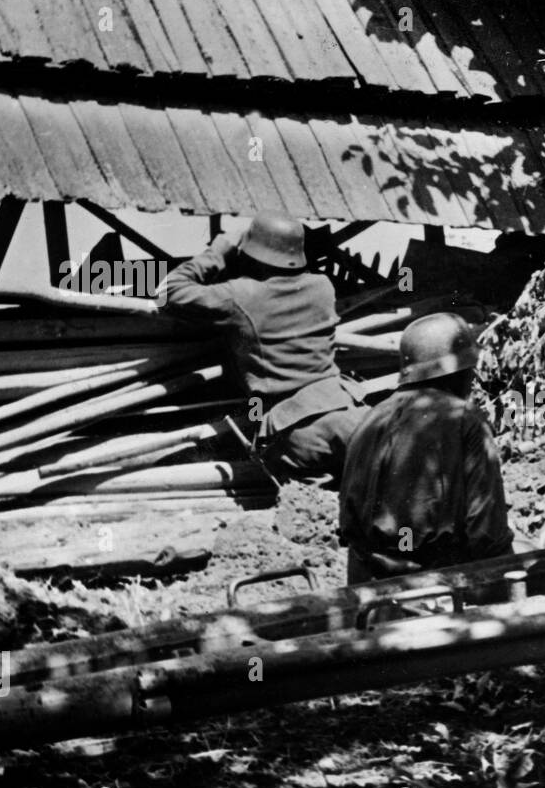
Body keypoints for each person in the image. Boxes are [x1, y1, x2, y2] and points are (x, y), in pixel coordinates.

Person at [160, 210, 364, 486]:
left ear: (253, 254)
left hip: (300, 431)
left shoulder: (239, 296)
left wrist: (218, 252)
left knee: (310, 515)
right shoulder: (322, 286)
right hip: (352, 413)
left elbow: (168, 290)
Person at [338, 312, 514, 582]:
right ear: (458, 371)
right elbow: (487, 536)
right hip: (437, 583)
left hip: (367, 577)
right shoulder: (465, 420)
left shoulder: (370, 418)